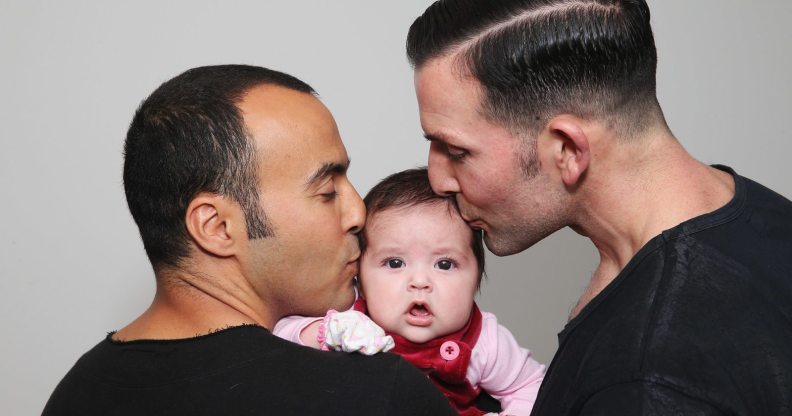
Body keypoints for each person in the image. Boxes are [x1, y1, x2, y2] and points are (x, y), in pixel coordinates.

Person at [406, 1, 792, 415]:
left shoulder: (647, 372)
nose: (438, 180)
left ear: (568, 150)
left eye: (456, 151)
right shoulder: (760, 217)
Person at [42, 65, 455, 415]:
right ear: (217, 227)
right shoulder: (375, 395)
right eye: (327, 191)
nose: (358, 213)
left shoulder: (75, 393)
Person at [274, 167, 545, 415]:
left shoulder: (484, 340)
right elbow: (278, 334)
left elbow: (531, 385)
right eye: (395, 263)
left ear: (476, 278)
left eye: (444, 264)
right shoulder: (353, 319)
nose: (419, 281)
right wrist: (324, 332)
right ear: (359, 276)